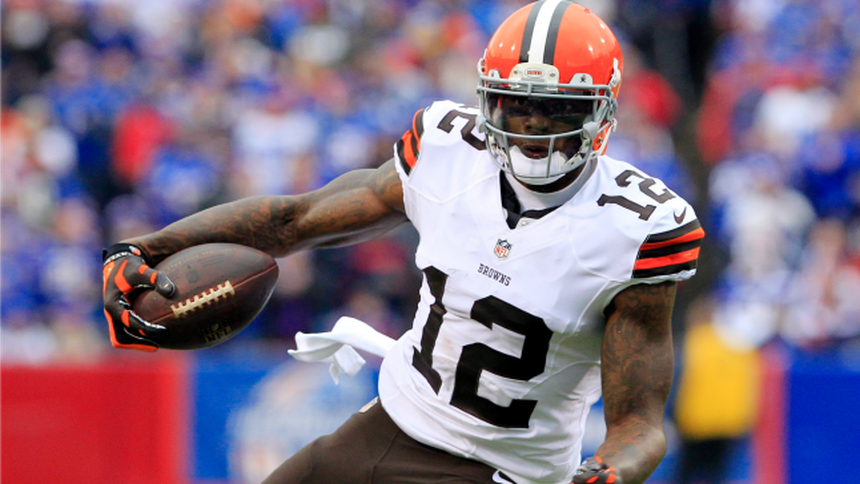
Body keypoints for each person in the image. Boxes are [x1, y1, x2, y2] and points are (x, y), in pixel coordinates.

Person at [102, 2, 704, 483]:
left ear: (601, 113)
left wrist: (609, 471)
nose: (532, 127)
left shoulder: (635, 229)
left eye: (555, 109)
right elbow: (296, 219)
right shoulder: (448, 152)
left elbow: (640, 424)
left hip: (506, 470)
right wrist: (145, 249)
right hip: (391, 423)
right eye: (516, 105)